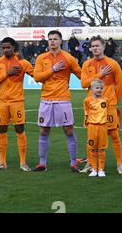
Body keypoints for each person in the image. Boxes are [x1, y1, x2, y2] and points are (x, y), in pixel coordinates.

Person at [32, 30, 82, 172]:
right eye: (50, 39)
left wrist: (96, 82)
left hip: (63, 99)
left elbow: (81, 75)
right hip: (46, 99)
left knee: (69, 131)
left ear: (61, 41)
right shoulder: (42, 58)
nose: (52, 41)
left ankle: (73, 163)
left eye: (55, 39)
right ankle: (42, 163)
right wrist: (53, 69)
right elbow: (37, 77)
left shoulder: (68, 58)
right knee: (43, 131)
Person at [80, 35, 122, 175]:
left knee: (114, 135)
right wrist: (99, 74)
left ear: (103, 46)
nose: (95, 48)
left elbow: (120, 85)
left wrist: (113, 101)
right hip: (92, 108)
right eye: (93, 46)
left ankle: (119, 164)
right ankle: (89, 163)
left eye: (97, 46)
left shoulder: (112, 64)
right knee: (91, 137)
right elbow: (83, 84)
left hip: (109, 107)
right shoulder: (87, 64)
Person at [0, 37, 34, 171]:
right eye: (3, 48)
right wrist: (7, 73)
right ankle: (2, 162)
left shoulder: (22, 63)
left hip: (17, 102)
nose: (5, 50)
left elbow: (36, 75)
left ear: (14, 48)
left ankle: (23, 163)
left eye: (8, 47)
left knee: (19, 129)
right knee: (1, 130)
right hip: (2, 102)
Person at [83, 79, 109, 177]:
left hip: (103, 126)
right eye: (97, 88)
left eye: (101, 88)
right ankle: (94, 168)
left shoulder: (105, 99)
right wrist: (86, 123)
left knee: (101, 148)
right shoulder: (87, 100)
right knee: (92, 148)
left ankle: (101, 169)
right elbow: (86, 112)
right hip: (92, 126)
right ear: (92, 89)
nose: (99, 90)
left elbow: (108, 112)